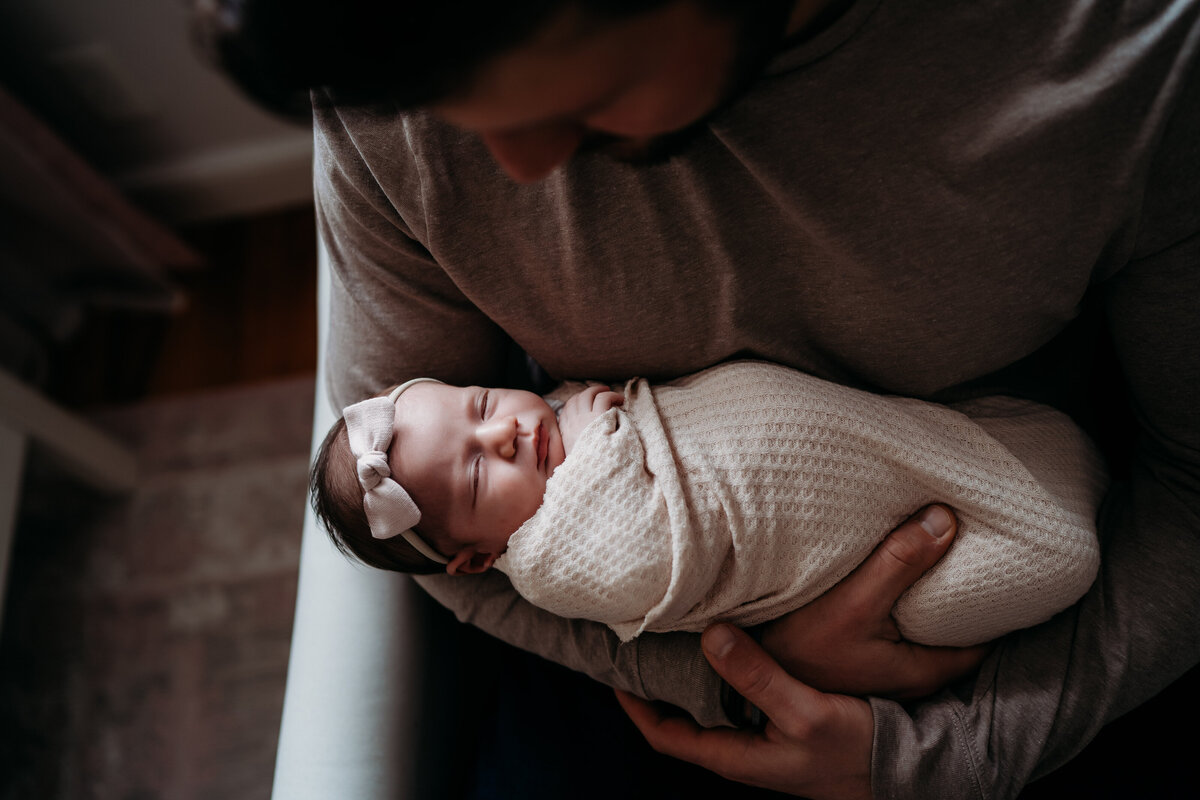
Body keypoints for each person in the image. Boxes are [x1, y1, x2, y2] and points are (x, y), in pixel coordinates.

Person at [197, 0, 1200, 797]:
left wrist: (959, 749)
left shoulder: (1132, 63)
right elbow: (440, 551)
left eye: (574, 102)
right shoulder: (396, 92)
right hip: (667, 666)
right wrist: (734, 669)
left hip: (1047, 606)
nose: (519, 170)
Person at [313, 361, 1104, 647]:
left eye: (483, 402)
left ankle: (1030, 464)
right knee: (1015, 568)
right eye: (479, 478)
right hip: (843, 540)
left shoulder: (545, 424)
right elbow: (642, 551)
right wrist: (602, 440)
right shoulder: (550, 564)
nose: (508, 436)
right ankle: (1043, 525)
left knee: (981, 437)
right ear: (479, 557)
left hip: (867, 447)